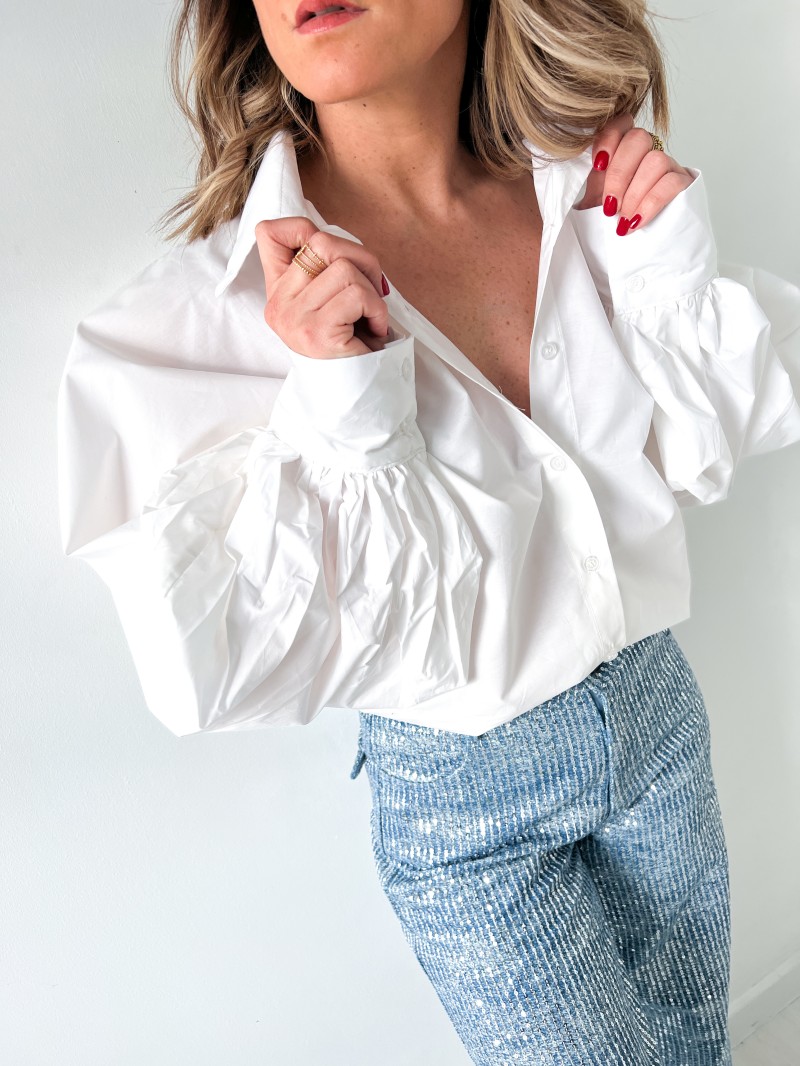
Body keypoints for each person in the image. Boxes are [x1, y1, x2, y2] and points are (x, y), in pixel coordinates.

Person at [56, 1, 800, 1062]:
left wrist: (663, 271)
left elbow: (695, 457)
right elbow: (205, 671)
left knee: (691, 1048)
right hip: (470, 811)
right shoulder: (187, 324)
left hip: (657, 720)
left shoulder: (581, 194)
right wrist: (337, 408)